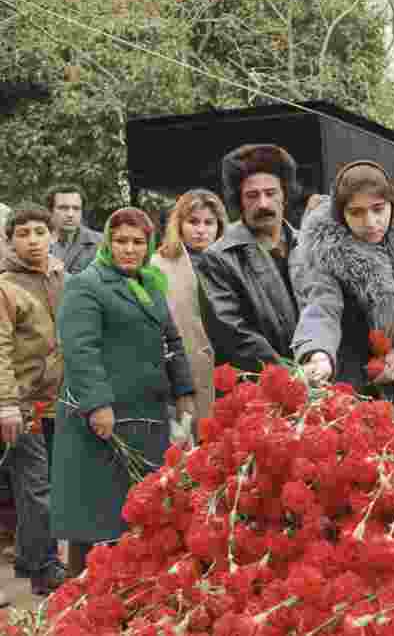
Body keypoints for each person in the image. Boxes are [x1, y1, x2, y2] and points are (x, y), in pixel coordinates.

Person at [53, 208, 195, 577]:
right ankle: (78, 603)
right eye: (120, 241)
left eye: (137, 242)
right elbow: (80, 350)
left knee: (136, 515)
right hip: (101, 418)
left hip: (145, 415)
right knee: (93, 517)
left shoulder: (151, 284)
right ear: (107, 243)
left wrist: (184, 392)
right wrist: (98, 404)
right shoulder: (86, 284)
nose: (129, 249)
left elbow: (172, 341)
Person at [293, 161, 394, 416]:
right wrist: (318, 352)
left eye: (378, 209)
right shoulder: (326, 255)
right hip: (345, 385)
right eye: (356, 212)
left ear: (392, 204)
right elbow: (322, 307)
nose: (370, 221)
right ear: (340, 214)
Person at [0, 204, 65, 597]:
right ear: (9, 241)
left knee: (45, 486)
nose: (33, 240)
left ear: (53, 236)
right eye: (23, 233)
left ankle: (30, 558)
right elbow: (0, 348)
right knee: (36, 487)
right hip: (23, 405)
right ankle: (43, 569)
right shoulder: (5, 286)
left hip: (60, 400)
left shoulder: (61, 276)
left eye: (40, 231)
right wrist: (5, 403)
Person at [196, 144, 301, 372]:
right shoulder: (218, 258)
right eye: (252, 195)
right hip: (263, 389)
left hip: (324, 381)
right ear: (239, 200)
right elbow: (233, 334)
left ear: (284, 194)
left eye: (271, 193)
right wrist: (295, 374)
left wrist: (322, 360)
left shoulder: (310, 245)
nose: (263, 203)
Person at [152, 190, 229, 440]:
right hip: (182, 375)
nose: (201, 230)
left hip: (227, 368)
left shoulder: (232, 260)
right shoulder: (158, 265)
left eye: (209, 223)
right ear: (179, 224)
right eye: (193, 222)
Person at [46, 184, 102, 275]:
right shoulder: (36, 242)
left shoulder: (101, 243)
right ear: (50, 211)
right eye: (63, 208)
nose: (70, 214)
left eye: (76, 208)